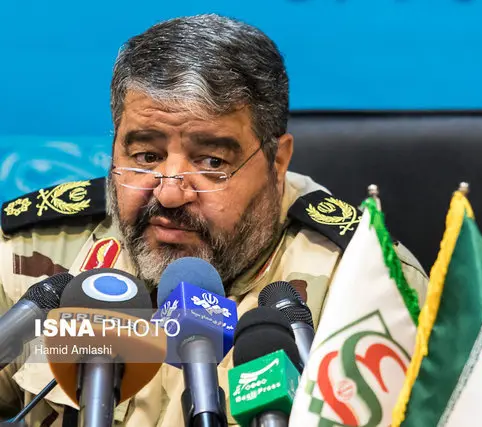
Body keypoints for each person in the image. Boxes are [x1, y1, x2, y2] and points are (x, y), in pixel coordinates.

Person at [0, 14, 429, 427]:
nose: (169, 193)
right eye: (146, 156)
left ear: (277, 162)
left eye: (211, 162)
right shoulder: (31, 251)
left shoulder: (364, 286)